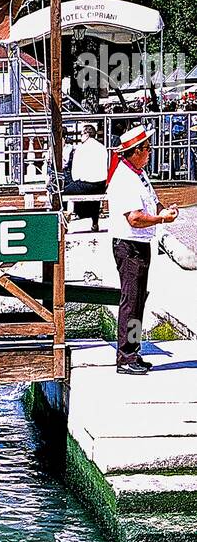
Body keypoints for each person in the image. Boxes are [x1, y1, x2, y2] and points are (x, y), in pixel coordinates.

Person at [108, 124, 179, 376]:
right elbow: (135, 218)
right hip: (129, 245)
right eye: (147, 148)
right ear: (136, 151)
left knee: (138, 301)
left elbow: (151, 202)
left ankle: (133, 350)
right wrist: (162, 220)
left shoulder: (138, 174)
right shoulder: (125, 179)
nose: (150, 152)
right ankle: (126, 355)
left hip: (139, 244)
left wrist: (162, 210)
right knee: (131, 301)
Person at [66, 124, 108, 231]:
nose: (80, 137)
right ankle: (95, 222)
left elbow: (75, 173)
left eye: (81, 134)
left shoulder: (81, 148)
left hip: (86, 184)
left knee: (63, 191)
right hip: (101, 184)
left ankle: (66, 220)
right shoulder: (102, 147)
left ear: (86, 134)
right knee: (95, 194)